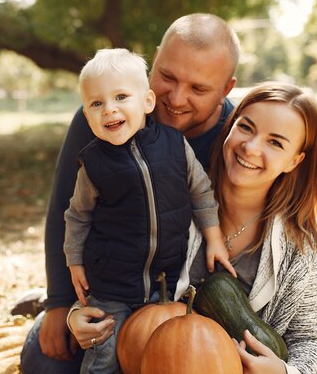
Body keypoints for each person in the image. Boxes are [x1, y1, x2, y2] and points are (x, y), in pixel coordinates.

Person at [20, 13, 240, 374]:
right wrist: (61, 303)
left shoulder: (237, 137)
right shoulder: (104, 118)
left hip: (183, 298)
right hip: (111, 286)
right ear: (154, 61)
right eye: (167, 76)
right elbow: (68, 208)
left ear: (226, 89)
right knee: (46, 362)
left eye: (199, 89)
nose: (176, 98)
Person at [68, 82, 317, 374]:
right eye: (246, 127)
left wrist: (283, 372)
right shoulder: (170, 195)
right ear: (230, 127)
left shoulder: (299, 244)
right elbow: (115, 265)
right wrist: (76, 316)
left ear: (295, 161)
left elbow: (310, 340)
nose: (251, 147)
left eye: (275, 142)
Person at [65, 48, 233, 373]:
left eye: (121, 97)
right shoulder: (94, 165)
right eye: (96, 104)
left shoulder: (174, 144)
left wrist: (213, 237)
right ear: (87, 116)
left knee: (165, 357)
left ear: (147, 102)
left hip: (166, 283)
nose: (109, 109)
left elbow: (200, 191)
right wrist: (74, 260)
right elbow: (78, 216)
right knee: (105, 356)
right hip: (112, 284)